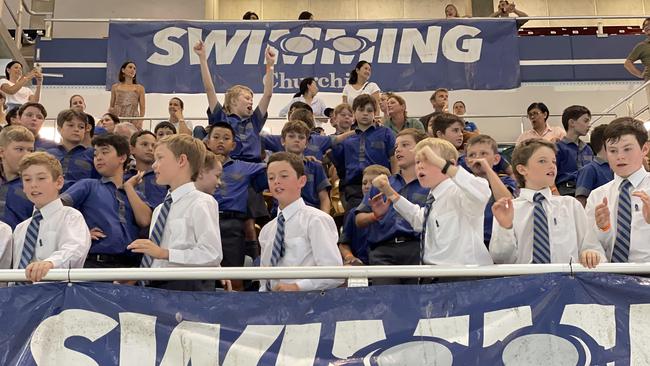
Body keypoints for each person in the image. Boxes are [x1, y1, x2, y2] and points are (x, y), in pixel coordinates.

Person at [371, 138, 493, 268]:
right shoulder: (434, 197)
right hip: (435, 274)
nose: (420, 166)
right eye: (417, 161)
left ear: (450, 163)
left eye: (428, 160)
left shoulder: (459, 192)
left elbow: (482, 192)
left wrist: (444, 165)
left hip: (463, 275)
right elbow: (419, 220)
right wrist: (389, 192)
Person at [127, 134, 222, 291]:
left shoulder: (201, 202)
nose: (154, 165)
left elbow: (211, 254)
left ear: (181, 161)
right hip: (157, 288)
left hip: (188, 289)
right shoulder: (159, 210)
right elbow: (158, 259)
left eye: (160, 158)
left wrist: (165, 253)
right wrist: (137, 277)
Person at [61, 134, 152, 268]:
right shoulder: (88, 185)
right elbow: (55, 209)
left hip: (130, 267)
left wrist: (128, 187)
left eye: (105, 152)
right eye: (95, 154)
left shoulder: (135, 194)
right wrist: (81, 232)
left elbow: (145, 221)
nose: (98, 157)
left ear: (122, 157)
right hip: (94, 263)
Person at [490, 139, 586, 263]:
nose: (552, 166)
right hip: (523, 280)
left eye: (554, 161)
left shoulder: (571, 205)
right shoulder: (508, 209)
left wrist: (589, 252)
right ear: (522, 169)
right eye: (542, 161)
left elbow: (587, 245)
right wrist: (505, 228)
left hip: (565, 279)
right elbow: (501, 259)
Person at [259, 152, 343, 292]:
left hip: (308, 304)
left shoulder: (316, 220)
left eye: (284, 176)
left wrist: (297, 287)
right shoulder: (267, 230)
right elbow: (264, 279)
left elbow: (334, 273)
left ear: (302, 181)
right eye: (271, 177)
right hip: (272, 306)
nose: (276, 181)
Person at [357, 129, 429, 285]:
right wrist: (375, 216)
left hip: (417, 250)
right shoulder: (381, 183)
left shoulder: (432, 185)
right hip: (383, 251)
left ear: (422, 149)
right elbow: (359, 219)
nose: (398, 150)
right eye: (396, 146)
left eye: (405, 145)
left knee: (416, 304)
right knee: (385, 303)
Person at [8, 152, 91, 282]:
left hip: (57, 295)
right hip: (18, 298)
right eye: (27, 179)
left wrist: (50, 263)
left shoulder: (70, 216)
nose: (33, 184)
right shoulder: (20, 228)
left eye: (41, 178)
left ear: (58, 182)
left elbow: (75, 249)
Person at [580, 118, 650, 268]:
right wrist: (602, 230)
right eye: (613, 151)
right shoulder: (597, 196)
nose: (620, 156)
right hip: (611, 280)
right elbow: (590, 246)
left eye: (627, 149)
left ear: (645, 149)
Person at [195, 40, 276, 163]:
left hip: (253, 166)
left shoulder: (255, 120)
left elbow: (268, 94)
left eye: (252, 100)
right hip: (227, 163)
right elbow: (209, 89)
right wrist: (202, 58)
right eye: (247, 98)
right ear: (233, 101)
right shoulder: (220, 118)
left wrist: (270, 65)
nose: (251, 102)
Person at [206, 122, 267, 272]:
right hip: (204, 220)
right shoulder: (196, 165)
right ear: (207, 142)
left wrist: (301, 157)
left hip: (232, 225)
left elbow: (272, 166)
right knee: (203, 273)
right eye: (216, 137)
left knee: (232, 275)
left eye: (226, 138)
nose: (221, 141)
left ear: (233, 145)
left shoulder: (245, 166)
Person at [331, 94, 396, 211]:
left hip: (381, 185)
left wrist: (395, 181)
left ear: (375, 113)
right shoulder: (346, 139)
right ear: (354, 113)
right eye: (361, 110)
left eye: (369, 110)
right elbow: (340, 165)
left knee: (381, 221)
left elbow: (394, 159)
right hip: (353, 189)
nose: (365, 113)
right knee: (354, 222)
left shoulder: (386, 133)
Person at [465, 134, 517, 247]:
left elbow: (507, 202)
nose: (478, 158)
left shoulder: (505, 180)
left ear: (496, 159)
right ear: (467, 161)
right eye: (472, 155)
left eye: (483, 154)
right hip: (470, 243)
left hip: (497, 241)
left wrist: (487, 169)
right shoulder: (464, 183)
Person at [339, 164, 391, 266]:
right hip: (361, 265)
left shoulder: (393, 210)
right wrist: (350, 257)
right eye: (364, 183)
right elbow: (344, 243)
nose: (367, 186)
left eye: (372, 183)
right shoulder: (353, 213)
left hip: (386, 264)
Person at [279, 120, 331, 212]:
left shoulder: (316, 167)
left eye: (301, 137)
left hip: (311, 214)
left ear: (306, 143)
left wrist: (324, 220)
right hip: (282, 214)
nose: (296, 140)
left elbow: (324, 199)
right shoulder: (275, 167)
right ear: (283, 141)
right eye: (291, 136)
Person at [46, 109, 98, 191]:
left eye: (81, 127)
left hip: (81, 199)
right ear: (59, 129)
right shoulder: (48, 154)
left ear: (85, 131)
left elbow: (96, 182)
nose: (76, 129)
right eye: (71, 125)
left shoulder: (92, 154)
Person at [0, 125, 35, 229]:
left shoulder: (36, 186)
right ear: (2, 152)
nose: (27, 155)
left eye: (30, 150)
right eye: (19, 149)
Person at [555, 105, 594, 196]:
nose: (589, 124)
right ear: (572, 123)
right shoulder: (558, 148)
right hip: (566, 192)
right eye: (585, 121)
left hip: (588, 192)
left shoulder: (587, 149)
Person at [124, 130, 167, 208]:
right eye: (144, 144)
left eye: (154, 146)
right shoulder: (124, 177)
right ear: (132, 149)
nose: (150, 149)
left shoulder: (164, 177)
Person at [576, 124, 614, 207]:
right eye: (614, 140)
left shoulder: (617, 168)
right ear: (605, 143)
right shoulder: (589, 169)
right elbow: (580, 202)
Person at [109, 61, 145, 129]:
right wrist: (111, 113)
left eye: (134, 68)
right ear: (123, 70)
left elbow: (142, 108)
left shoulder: (139, 88)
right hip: (118, 118)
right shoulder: (115, 87)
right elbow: (111, 106)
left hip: (133, 119)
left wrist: (140, 121)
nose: (132, 70)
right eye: (130, 67)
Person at [624, 18, 650, 108]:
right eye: (645, 26)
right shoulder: (642, 46)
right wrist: (641, 75)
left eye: (649, 25)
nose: (646, 27)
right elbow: (627, 63)